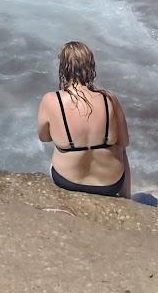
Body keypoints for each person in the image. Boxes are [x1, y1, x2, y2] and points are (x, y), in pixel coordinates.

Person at [36, 42, 130, 198]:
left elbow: (44, 137)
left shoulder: (52, 100)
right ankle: (127, 199)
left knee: (60, 146)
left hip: (67, 182)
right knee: (120, 149)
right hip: (110, 185)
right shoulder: (109, 98)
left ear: (63, 68)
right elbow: (124, 141)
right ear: (91, 67)